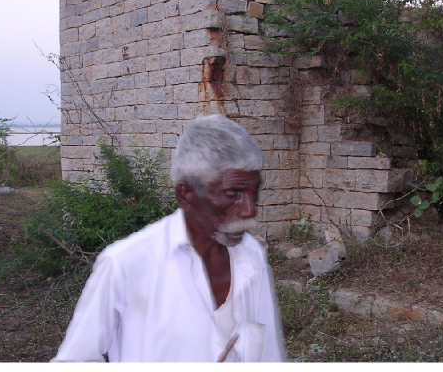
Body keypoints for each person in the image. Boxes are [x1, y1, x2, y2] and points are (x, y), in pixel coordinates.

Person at [51, 114, 286, 362]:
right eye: (232, 193)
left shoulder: (251, 256)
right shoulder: (125, 264)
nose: (250, 210)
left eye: (253, 192)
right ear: (186, 194)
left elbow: (270, 354)